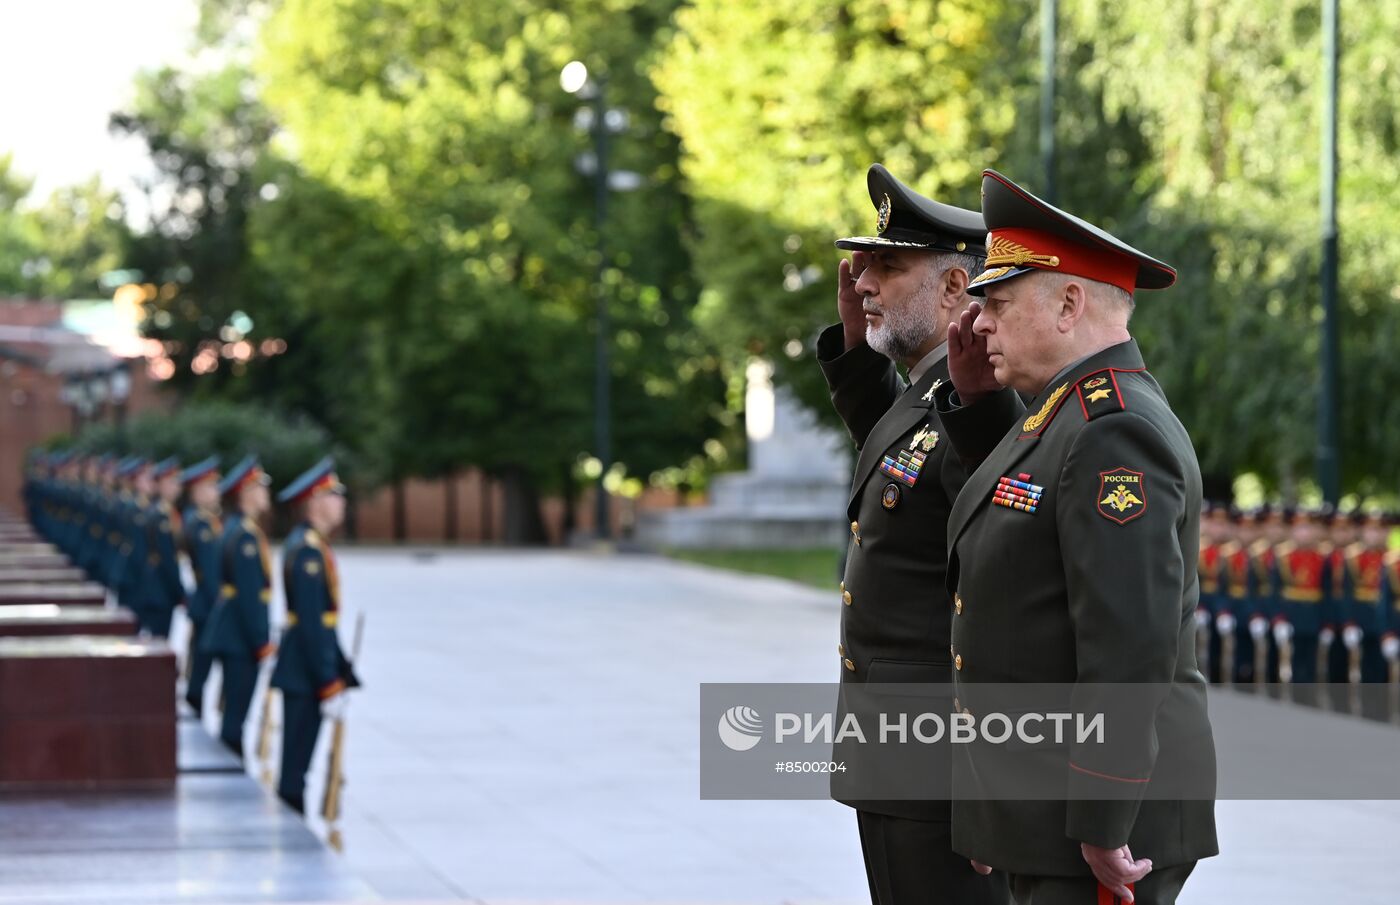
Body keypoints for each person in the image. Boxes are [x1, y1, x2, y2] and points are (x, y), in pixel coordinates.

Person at [935, 169, 1217, 904]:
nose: (980, 321)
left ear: (1068, 302)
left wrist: (1102, 812)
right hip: (1052, 807)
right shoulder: (1060, 416)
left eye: (996, 301)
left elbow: (1129, 643)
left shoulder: (1112, 429)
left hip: (1101, 827)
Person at [815, 163, 1008, 905]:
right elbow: (896, 458)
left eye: (889, 267)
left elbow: (993, 591)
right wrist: (859, 347)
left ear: (956, 289)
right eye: (866, 264)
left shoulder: (977, 398)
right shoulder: (932, 392)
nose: (864, 280)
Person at [271, 457, 360, 814]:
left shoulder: (310, 544)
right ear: (315, 502)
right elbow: (312, 623)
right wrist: (327, 681)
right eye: (334, 496)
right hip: (304, 670)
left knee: (298, 763)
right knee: (295, 768)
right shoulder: (308, 550)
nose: (342, 503)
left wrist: (341, 669)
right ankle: (291, 836)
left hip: (305, 666)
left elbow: (325, 620)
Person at [203, 455, 276, 758]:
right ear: (246, 493)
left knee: (233, 710)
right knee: (236, 714)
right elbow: (250, 597)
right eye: (260, 488)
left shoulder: (235, 527)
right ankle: (231, 769)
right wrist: (261, 641)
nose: (265, 495)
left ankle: (230, 767)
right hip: (239, 637)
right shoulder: (244, 535)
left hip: (231, 631)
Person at [180, 456, 223, 716]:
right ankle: (193, 710)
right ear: (197, 491)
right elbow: (211, 573)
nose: (216, 492)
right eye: (211, 486)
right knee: (201, 665)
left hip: (206, 603)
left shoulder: (205, 520)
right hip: (208, 605)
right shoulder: (201, 524)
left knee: (201, 662)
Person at [143, 457, 188, 638]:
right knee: (159, 643)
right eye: (171, 482)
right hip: (159, 590)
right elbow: (168, 559)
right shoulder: (161, 516)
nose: (176, 486)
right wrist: (180, 591)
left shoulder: (165, 512)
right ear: (159, 485)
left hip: (159, 589)